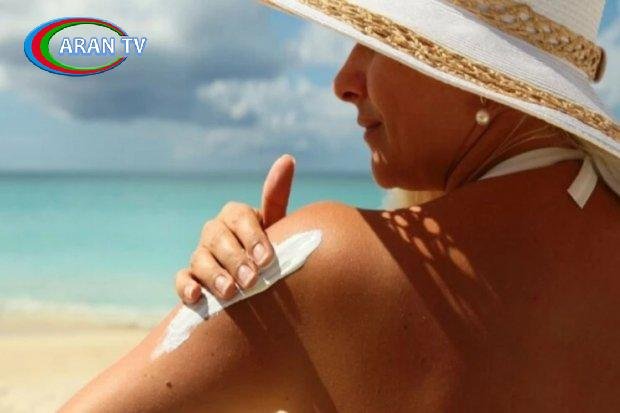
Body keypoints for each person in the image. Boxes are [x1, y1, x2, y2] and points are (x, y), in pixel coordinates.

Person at [61, 0, 620, 411]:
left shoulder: (328, 262)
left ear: (482, 79)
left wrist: (270, 297)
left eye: (377, 44)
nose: (343, 82)